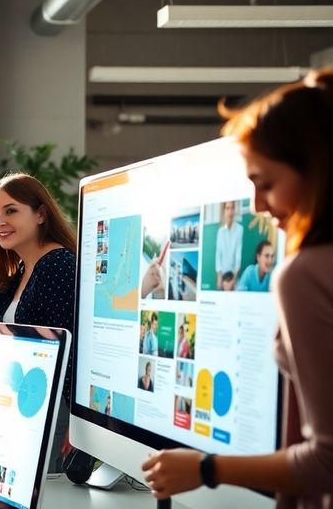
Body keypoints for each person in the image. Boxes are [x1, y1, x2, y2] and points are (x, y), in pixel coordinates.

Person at [143, 68, 333, 508]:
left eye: (265, 183)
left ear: (320, 168)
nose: (258, 206)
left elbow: (327, 459)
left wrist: (205, 467)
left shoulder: (304, 273)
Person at [0, 172, 77, 472]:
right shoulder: (22, 268)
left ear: (40, 214)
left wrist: (76, 422)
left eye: (11, 211)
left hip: (55, 410)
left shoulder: (58, 264)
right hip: (27, 407)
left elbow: (73, 349)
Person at [215, 200, 244, 288]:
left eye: (232, 208)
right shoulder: (220, 231)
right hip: (222, 276)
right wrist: (219, 277)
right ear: (224, 211)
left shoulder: (239, 229)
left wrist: (234, 279)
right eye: (227, 208)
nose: (230, 212)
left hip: (233, 275)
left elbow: (238, 254)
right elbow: (218, 254)